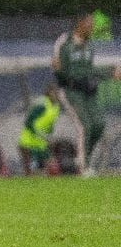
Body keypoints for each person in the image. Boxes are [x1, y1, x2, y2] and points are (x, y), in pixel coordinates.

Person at [52, 14, 121, 171]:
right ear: (80, 23)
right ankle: (83, 168)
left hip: (88, 92)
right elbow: (58, 67)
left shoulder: (89, 46)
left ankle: (83, 159)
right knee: (84, 126)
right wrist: (58, 68)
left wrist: (110, 72)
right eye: (89, 25)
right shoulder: (65, 41)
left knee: (98, 125)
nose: (91, 28)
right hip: (71, 91)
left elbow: (89, 70)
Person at [18, 83, 61, 176]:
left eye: (57, 93)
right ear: (49, 92)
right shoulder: (42, 104)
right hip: (29, 141)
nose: (56, 95)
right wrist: (40, 134)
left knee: (48, 166)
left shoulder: (56, 107)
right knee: (31, 169)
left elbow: (50, 124)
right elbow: (28, 122)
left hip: (41, 142)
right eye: (54, 92)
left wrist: (49, 137)